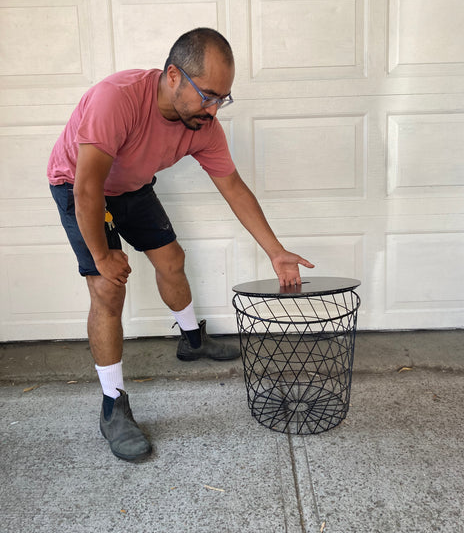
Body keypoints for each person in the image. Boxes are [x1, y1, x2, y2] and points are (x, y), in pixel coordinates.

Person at [47, 27, 314, 461]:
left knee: (171, 258)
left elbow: (234, 187)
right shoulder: (117, 99)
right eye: (207, 94)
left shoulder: (203, 126)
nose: (213, 109)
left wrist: (276, 250)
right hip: (77, 185)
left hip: (131, 186)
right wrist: (102, 255)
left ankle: (192, 341)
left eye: (222, 98)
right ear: (173, 75)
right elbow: (87, 188)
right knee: (107, 287)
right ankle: (113, 405)